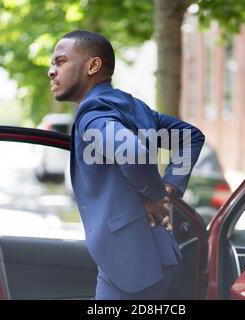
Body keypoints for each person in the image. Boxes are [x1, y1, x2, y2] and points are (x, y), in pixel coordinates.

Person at [48, 30, 205, 299]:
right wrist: (169, 187)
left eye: (60, 61)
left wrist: (156, 194)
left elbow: (134, 153)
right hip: (162, 258)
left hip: (129, 273)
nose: (52, 71)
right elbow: (190, 137)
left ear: (93, 66)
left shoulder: (92, 113)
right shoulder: (134, 107)